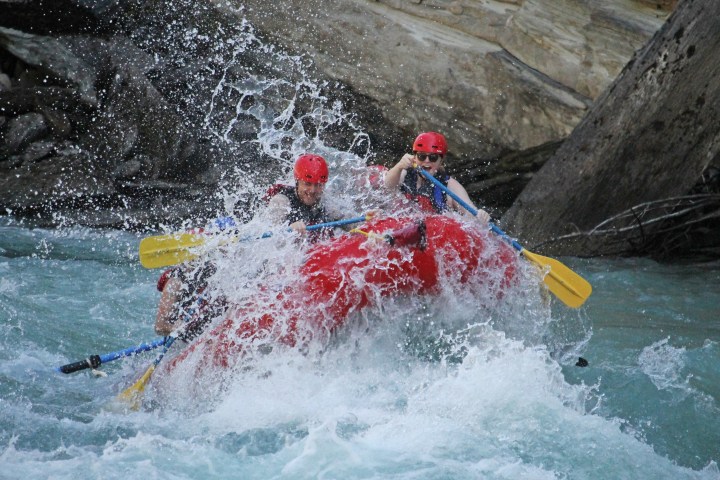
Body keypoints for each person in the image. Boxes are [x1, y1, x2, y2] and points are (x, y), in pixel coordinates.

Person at [384, 131, 491, 223]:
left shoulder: (450, 185)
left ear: (441, 161)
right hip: (403, 223)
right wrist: (398, 166)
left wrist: (479, 216)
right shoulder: (405, 173)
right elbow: (387, 187)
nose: (426, 161)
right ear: (415, 158)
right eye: (421, 156)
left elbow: (469, 211)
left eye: (433, 157)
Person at [263, 153, 338, 241]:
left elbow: (349, 221)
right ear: (297, 182)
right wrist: (288, 230)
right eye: (307, 184)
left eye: (318, 185)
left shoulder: (326, 202)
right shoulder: (281, 201)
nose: (313, 190)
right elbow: (269, 240)